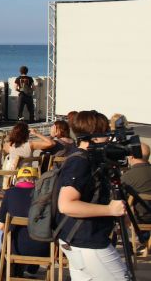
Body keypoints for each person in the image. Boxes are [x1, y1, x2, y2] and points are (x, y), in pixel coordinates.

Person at [56, 110, 129, 280]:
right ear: (93, 136)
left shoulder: (85, 158)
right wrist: (110, 210)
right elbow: (66, 204)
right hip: (87, 241)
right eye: (104, 133)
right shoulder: (80, 162)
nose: (108, 138)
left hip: (78, 239)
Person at [0, 166, 49, 281]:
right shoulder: (46, 196)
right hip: (44, 249)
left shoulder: (10, 193)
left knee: (0, 234)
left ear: (17, 179)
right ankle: (31, 269)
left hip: (15, 248)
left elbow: (1, 226)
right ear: (36, 180)